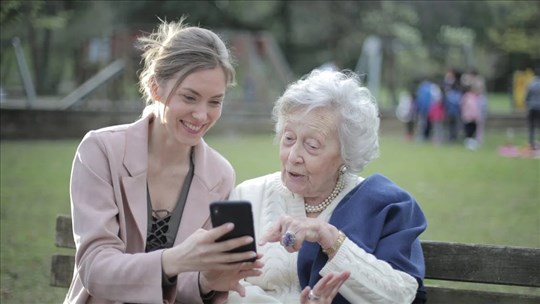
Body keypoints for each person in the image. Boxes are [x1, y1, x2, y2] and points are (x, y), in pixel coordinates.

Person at [64, 18, 263, 304]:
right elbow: (95, 268)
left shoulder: (219, 174)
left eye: (215, 101)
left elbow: (185, 288)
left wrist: (208, 282)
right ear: (156, 89)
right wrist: (173, 260)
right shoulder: (101, 150)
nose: (201, 115)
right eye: (190, 97)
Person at [227, 70, 427, 303]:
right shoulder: (248, 196)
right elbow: (224, 286)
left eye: (312, 145)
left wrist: (331, 239)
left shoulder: (384, 205)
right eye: (289, 138)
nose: (293, 156)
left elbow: (402, 295)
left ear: (346, 154)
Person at [525, 67, 540, 151]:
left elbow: (527, 97)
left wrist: (527, 105)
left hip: (532, 108)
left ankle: (531, 144)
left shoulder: (531, 84)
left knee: (531, 127)